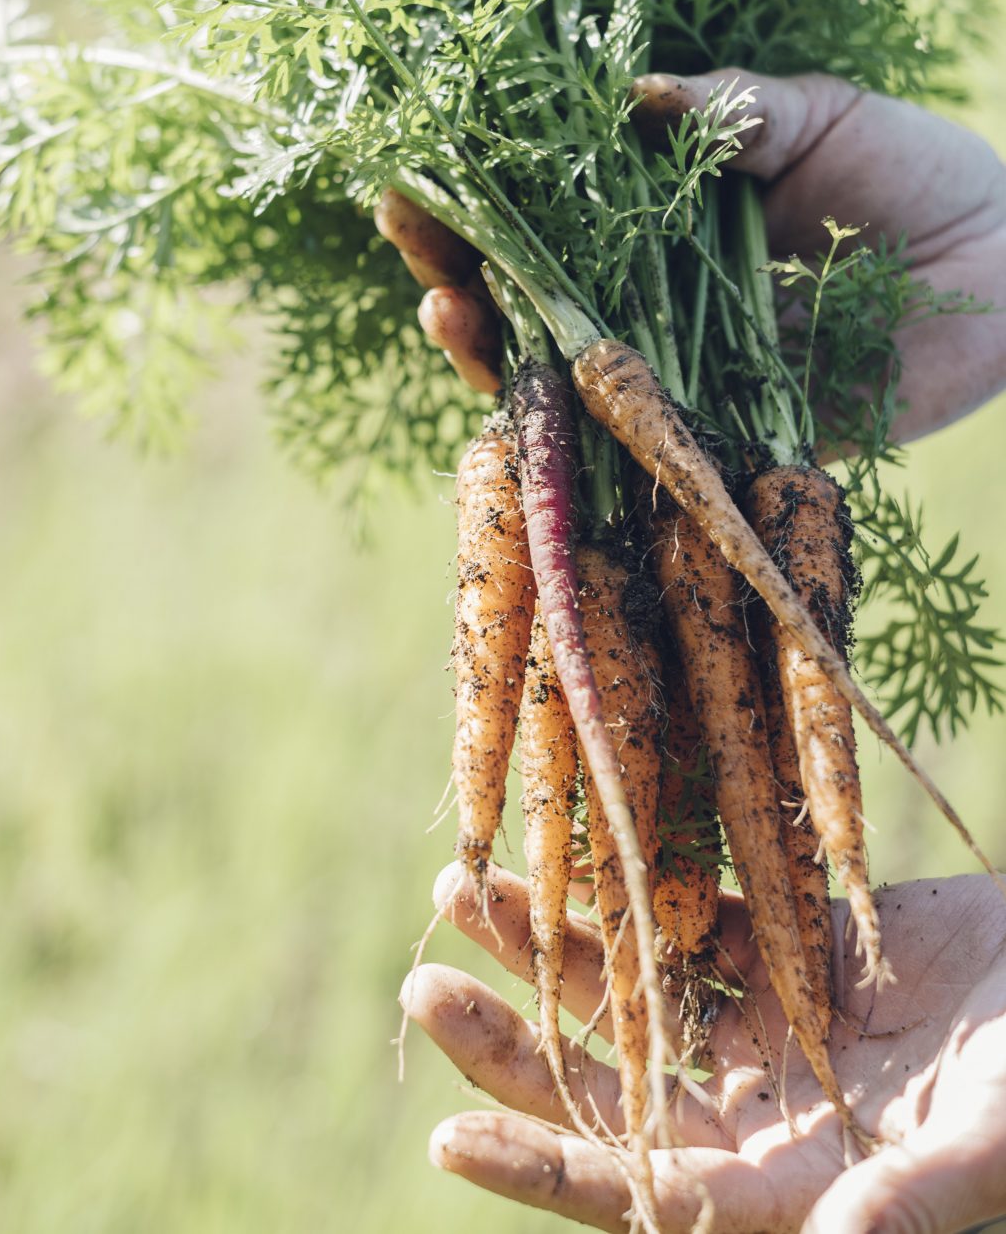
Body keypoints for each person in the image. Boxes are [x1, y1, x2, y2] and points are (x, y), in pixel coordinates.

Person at [383, 70, 1006, 1234]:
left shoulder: (771, 505)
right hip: (598, 454)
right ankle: (651, 933)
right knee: (605, 699)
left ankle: (723, 958)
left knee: (754, 707)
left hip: (699, 455)